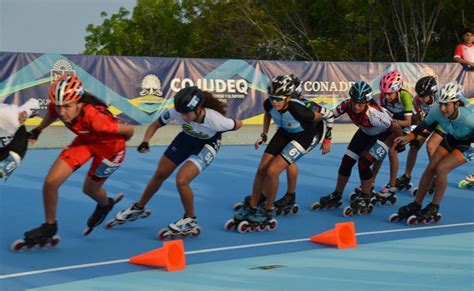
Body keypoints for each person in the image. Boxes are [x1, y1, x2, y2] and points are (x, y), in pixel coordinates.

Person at [13, 74, 134, 249]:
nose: (62, 112)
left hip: (111, 148)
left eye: (67, 107)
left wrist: (127, 143)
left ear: (79, 102)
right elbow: (52, 113)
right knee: (51, 182)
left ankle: (105, 204)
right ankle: (49, 226)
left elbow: (129, 130)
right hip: (85, 142)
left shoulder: (97, 119)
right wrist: (38, 130)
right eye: (60, 106)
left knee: (89, 189)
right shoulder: (59, 105)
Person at [110, 86, 242, 239]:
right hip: (185, 140)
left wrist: (227, 128)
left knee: (182, 180)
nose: (183, 117)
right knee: (159, 174)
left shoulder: (217, 120)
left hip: (206, 145)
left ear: (199, 109)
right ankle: (138, 208)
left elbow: (238, 124)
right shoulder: (177, 111)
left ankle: (190, 219)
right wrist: (145, 141)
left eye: (187, 113)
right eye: (181, 113)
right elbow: (155, 125)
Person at [228, 74, 331, 232]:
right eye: (272, 98)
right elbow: (268, 114)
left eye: (278, 99)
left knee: (272, 171)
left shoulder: (299, 109)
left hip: (305, 136)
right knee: (261, 169)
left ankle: (268, 210)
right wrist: (264, 134)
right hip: (285, 132)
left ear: (288, 98)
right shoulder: (268, 104)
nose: (274, 101)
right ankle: (253, 206)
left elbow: (326, 116)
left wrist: (326, 140)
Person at [311, 81, 402, 216]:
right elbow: (329, 115)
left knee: (363, 164)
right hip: (366, 131)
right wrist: (314, 113)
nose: (356, 107)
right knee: (346, 162)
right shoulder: (347, 105)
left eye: (360, 104)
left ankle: (366, 197)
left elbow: (395, 127)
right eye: (354, 102)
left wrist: (399, 143)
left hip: (385, 134)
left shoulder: (375, 115)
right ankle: (337, 194)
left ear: (367, 102)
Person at [392, 81, 474, 224]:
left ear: (456, 104)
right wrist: (408, 137)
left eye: (447, 105)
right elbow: (422, 126)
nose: (442, 108)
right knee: (430, 168)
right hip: (452, 137)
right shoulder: (437, 111)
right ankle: (416, 204)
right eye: (441, 103)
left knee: (441, 169)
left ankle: (434, 206)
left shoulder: (468, 117)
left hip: (468, 143)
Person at [396, 76, 445, 191]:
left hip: (443, 121)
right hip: (431, 119)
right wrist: (418, 113)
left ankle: (436, 178)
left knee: (431, 146)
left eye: (423, 96)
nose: (421, 98)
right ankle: (406, 176)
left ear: (432, 93)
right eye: (420, 95)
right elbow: (415, 102)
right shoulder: (419, 99)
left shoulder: (441, 99)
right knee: (414, 144)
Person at [374, 70, 414, 200]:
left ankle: (392, 187)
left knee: (392, 152)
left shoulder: (405, 96)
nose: (386, 97)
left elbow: (409, 121)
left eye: (389, 94)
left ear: (396, 90)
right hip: (394, 124)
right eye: (384, 93)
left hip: (410, 125)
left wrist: (392, 122)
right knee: (379, 149)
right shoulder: (383, 97)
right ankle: (371, 181)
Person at [0, 98, 40, 182]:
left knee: (4, 166)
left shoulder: (13, 115)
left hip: (16, 145)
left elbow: (34, 103)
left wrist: (36, 131)